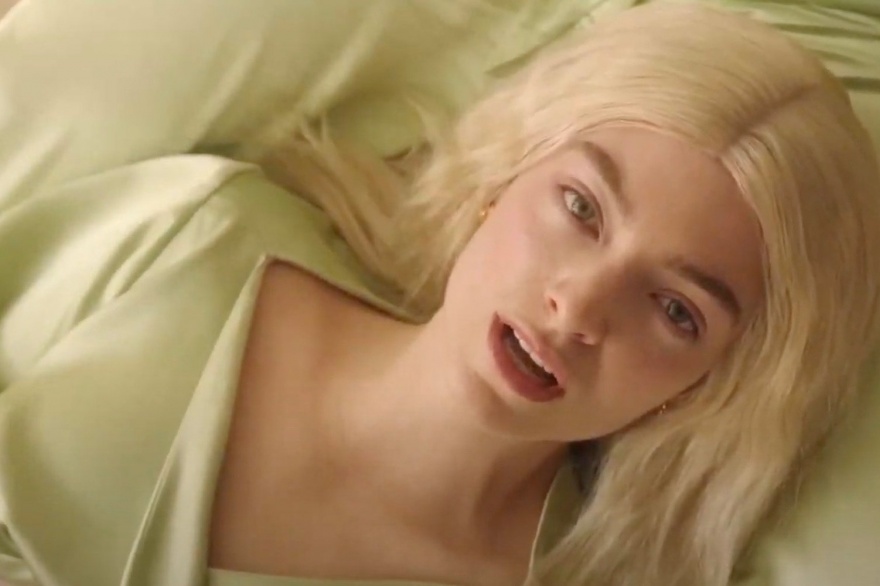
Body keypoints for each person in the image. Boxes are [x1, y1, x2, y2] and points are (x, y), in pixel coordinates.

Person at [0, 2, 878, 586]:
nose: (578, 308)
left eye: (676, 309)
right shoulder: (188, 238)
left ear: (716, 382)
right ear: (504, 177)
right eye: (581, 208)